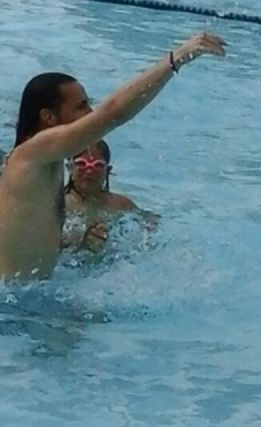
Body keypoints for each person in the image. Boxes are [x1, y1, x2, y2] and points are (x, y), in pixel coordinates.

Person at [0, 30, 225, 281]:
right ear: (48, 117)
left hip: (27, 293)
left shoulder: (45, 163)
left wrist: (82, 248)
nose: (90, 113)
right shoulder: (32, 153)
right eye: (82, 106)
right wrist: (176, 58)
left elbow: (33, 241)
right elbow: (112, 113)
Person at [64, 140, 156, 253]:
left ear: (108, 170)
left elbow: (149, 219)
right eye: (81, 163)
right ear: (70, 168)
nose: (89, 171)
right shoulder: (60, 204)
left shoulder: (120, 204)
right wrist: (81, 246)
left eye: (98, 165)